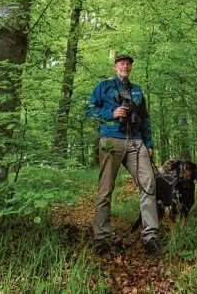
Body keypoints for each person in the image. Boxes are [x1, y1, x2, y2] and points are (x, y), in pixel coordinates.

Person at [85, 54, 160, 255]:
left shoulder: (136, 90)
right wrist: (111, 114)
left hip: (136, 142)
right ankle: (102, 239)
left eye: (128, 64)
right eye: (121, 64)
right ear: (115, 66)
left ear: (131, 68)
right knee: (105, 189)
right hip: (111, 139)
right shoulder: (104, 86)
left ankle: (151, 236)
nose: (125, 67)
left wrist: (149, 143)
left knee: (148, 184)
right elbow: (89, 110)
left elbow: (145, 119)